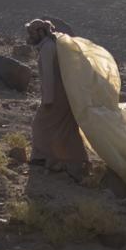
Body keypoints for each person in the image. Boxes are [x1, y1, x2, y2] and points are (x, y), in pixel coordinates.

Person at [26, 18, 89, 179]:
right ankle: (72, 162)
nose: (29, 36)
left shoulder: (47, 48)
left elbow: (49, 75)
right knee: (65, 127)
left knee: (39, 124)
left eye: (32, 32)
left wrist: (48, 99)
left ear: (40, 32)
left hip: (56, 94)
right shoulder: (50, 45)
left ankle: (42, 158)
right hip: (64, 93)